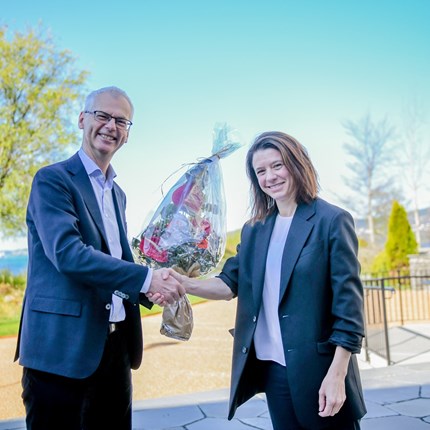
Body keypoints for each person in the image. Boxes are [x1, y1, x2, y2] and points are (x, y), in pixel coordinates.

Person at [151, 131, 367, 429]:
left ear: (297, 164)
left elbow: (349, 307)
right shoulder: (255, 229)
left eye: (277, 166)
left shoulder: (332, 220)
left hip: (320, 371)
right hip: (273, 371)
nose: (270, 177)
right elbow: (229, 284)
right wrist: (181, 282)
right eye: (261, 171)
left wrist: (337, 374)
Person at [14, 86, 185, 430]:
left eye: (121, 121)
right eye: (102, 115)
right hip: (60, 349)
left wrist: (151, 285)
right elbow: (69, 254)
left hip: (116, 348)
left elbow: (115, 261)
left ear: (127, 134)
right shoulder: (52, 180)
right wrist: (147, 279)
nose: (111, 125)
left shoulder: (118, 194)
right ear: (82, 120)